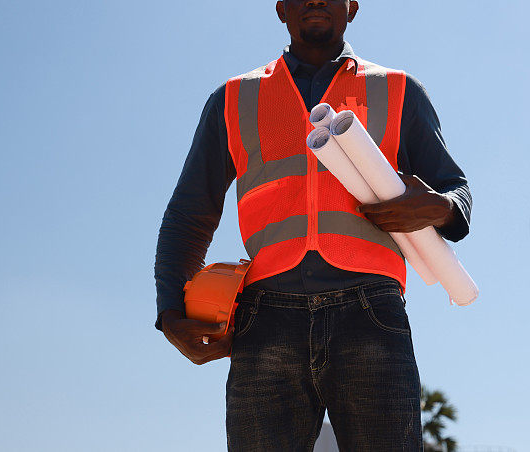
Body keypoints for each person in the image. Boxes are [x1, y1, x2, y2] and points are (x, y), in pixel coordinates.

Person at [154, 1, 472, 450]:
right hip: (263, 317)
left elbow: (456, 191)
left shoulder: (399, 90)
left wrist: (436, 207)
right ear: (282, 9)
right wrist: (170, 311)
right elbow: (190, 213)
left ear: (352, 8)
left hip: (371, 312)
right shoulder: (232, 99)